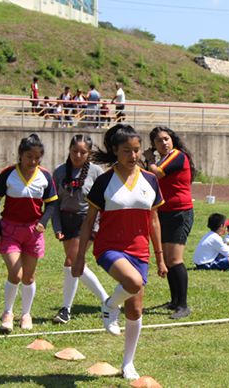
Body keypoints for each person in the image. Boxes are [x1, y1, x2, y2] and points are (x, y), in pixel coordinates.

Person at [73, 124, 167, 381]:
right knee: (133, 282)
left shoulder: (150, 179)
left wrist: (159, 256)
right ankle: (109, 304)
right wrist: (80, 256)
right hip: (109, 247)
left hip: (140, 251)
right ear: (115, 151)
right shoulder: (103, 181)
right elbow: (87, 221)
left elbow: (154, 221)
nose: (133, 155)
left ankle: (128, 363)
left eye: (136, 150)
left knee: (135, 311)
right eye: (127, 150)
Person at [0, 134, 58, 332]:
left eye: (37, 157)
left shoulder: (44, 176)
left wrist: (43, 222)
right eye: (29, 156)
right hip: (9, 230)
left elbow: (52, 203)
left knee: (28, 277)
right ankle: (8, 313)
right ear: (20, 155)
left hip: (33, 232)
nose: (33, 161)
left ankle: (26, 314)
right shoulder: (8, 174)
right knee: (16, 273)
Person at [51, 134, 109, 324]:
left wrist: (97, 226)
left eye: (83, 152)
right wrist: (57, 227)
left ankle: (66, 309)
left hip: (86, 220)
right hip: (65, 220)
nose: (77, 155)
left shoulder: (96, 172)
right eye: (74, 151)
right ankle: (107, 301)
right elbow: (53, 203)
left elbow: (103, 202)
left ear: (89, 153)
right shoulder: (59, 172)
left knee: (71, 262)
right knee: (77, 266)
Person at [144, 126, 195, 319]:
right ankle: (175, 301)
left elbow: (156, 173)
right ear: (154, 145)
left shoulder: (177, 156)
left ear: (172, 140)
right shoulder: (163, 159)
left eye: (166, 139)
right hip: (165, 212)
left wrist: (149, 160)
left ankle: (183, 305)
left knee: (175, 259)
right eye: (159, 141)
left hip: (179, 213)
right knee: (167, 259)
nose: (164, 143)